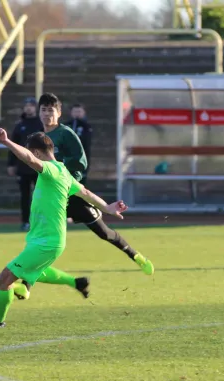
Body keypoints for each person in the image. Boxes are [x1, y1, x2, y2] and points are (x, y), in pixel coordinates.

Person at [0, 129, 128, 328]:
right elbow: (86, 192)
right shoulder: (64, 171)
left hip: (46, 242)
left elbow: (30, 160)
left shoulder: (50, 170)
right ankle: (75, 283)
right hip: (44, 239)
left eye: (32, 152)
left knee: (4, 278)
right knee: (33, 272)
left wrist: (6, 142)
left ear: (38, 153)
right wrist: (108, 207)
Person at [37, 92, 154, 276]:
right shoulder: (39, 138)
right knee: (45, 241)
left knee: (103, 233)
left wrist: (66, 177)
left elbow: (80, 162)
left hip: (72, 193)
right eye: (43, 110)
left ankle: (135, 255)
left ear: (59, 113)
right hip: (52, 197)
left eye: (51, 110)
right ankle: (26, 283)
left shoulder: (66, 134)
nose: (46, 114)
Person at [7, 97, 44, 231]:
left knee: (40, 196)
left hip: (39, 166)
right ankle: (25, 221)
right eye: (26, 106)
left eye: (31, 106)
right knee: (25, 196)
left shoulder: (41, 124)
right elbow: (13, 146)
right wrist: (11, 164)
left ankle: (40, 222)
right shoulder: (20, 125)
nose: (28, 108)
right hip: (23, 166)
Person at [64, 103, 93, 183]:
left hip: (81, 159)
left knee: (81, 184)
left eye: (79, 112)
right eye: (75, 111)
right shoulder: (66, 125)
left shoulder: (86, 126)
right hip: (68, 159)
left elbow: (86, 142)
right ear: (71, 113)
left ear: (84, 113)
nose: (77, 114)